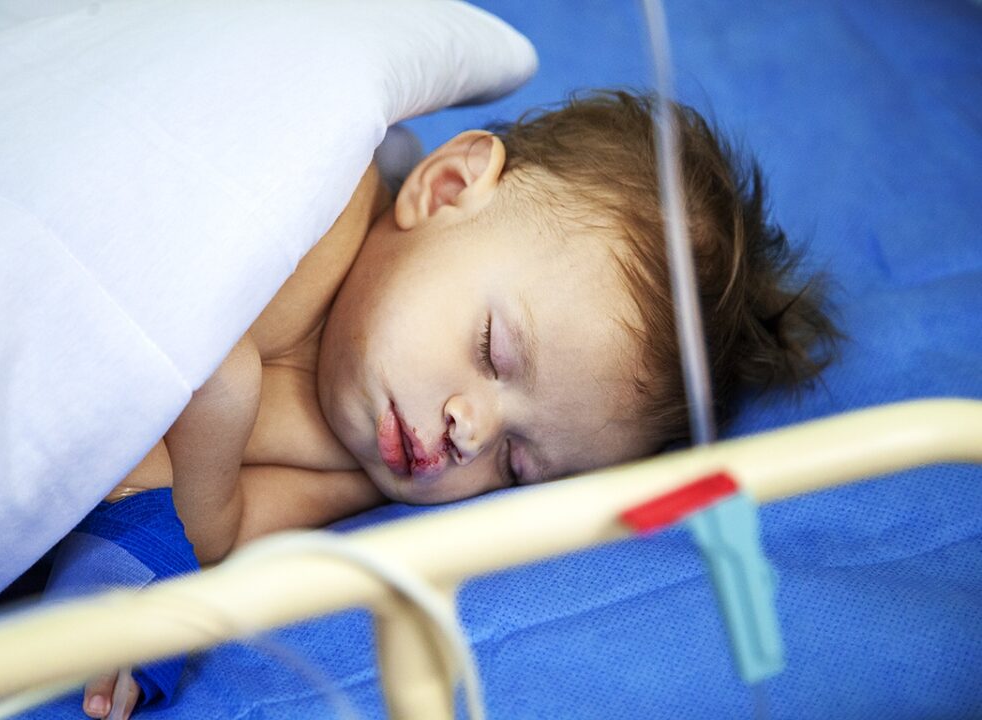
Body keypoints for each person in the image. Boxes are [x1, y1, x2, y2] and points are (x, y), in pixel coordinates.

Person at [77, 89, 838, 718]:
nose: (470, 432)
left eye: (517, 461)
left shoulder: (351, 470)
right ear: (444, 190)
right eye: (493, 352)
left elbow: (209, 535)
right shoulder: (318, 197)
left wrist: (215, 418)